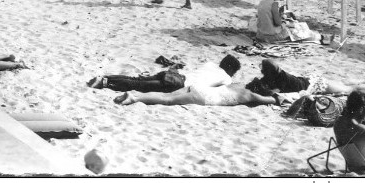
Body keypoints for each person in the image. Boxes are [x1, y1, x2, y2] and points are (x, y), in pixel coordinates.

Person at [88, 54, 240, 93]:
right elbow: (223, 90)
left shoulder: (210, 64)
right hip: (178, 83)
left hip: (174, 73)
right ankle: (105, 83)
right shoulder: (226, 78)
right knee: (138, 85)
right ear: (231, 71)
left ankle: (105, 77)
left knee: (136, 79)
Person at [114, 83, 278, 107]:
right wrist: (278, 98)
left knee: (168, 94)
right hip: (204, 98)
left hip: (200, 88)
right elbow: (270, 99)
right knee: (168, 100)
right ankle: (135, 97)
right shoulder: (250, 96)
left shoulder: (239, 86)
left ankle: (136, 93)